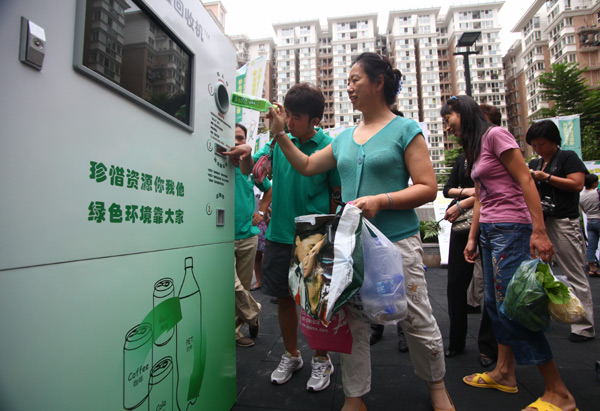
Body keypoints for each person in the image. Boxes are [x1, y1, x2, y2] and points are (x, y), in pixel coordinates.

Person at [270, 52, 454, 411]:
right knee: (353, 323)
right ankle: (355, 396)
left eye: (355, 79)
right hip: (352, 248)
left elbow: (428, 187)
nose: (349, 86)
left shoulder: (405, 129)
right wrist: (280, 134)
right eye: (348, 80)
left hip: (398, 242)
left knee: (415, 316)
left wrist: (381, 200)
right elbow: (307, 165)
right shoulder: (342, 138)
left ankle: (437, 386)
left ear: (378, 82)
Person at [441, 95, 577, 411]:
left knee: (516, 307)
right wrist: (473, 237)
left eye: (449, 118)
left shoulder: (496, 135)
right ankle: (504, 372)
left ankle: (559, 392)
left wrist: (540, 231)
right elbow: (483, 196)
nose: (447, 125)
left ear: (463, 112)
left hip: (512, 229)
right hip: (490, 230)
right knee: (495, 304)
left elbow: (525, 180)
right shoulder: (474, 146)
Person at [225, 83, 342, 392]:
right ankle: (292, 354)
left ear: (315, 119)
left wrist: (330, 234)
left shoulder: (328, 146)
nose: (289, 122)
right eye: (287, 115)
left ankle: (321, 358)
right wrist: (247, 153)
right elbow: (256, 174)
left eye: (296, 117)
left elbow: (335, 194)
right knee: (285, 299)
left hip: (314, 235)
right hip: (279, 234)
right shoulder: (279, 143)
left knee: (316, 302)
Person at [527, 120, 595, 343]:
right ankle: (548, 315)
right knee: (540, 273)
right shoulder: (537, 163)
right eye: (534, 145)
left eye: (542, 144)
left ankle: (583, 326)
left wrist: (546, 177)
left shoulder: (567, 158)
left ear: (555, 141)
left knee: (574, 272)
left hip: (564, 221)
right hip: (542, 223)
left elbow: (577, 184)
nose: (539, 149)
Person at [442, 152, 497, 368]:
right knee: (455, 284)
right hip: (463, 225)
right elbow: (447, 190)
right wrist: (471, 193)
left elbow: (493, 190)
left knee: (492, 288)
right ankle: (456, 341)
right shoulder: (463, 157)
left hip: (491, 222)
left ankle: (488, 347)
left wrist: (464, 202)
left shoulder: (495, 153)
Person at [230, 124, 272, 347]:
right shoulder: (215, 163)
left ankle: (236, 331)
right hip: (220, 237)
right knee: (231, 284)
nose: (236, 142)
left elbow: (269, 188)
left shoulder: (250, 168)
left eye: (240, 138)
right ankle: (253, 313)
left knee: (243, 287)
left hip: (248, 236)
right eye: (233, 138)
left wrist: (262, 211)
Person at [580, 173, 600, 277]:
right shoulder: (597, 193)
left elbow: (583, 209)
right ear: (594, 183)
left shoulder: (582, 195)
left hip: (590, 221)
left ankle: (592, 268)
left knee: (592, 245)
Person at [251, 192, 271, 290]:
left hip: (268, 226)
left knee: (269, 256)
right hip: (256, 225)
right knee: (257, 255)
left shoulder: (268, 189)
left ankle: (268, 281)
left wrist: (265, 210)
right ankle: (259, 281)